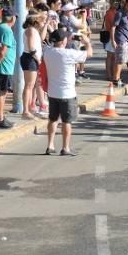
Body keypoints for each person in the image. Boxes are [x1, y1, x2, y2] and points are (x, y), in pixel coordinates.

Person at [42, 28, 92, 156]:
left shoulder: (47, 52)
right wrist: (87, 43)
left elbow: (46, 44)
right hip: (67, 94)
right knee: (66, 121)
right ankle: (65, 148)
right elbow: (89, 54)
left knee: (52, 119)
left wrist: (65, 41)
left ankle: (50, 145)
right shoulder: (69, 53)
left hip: (52, 92)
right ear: (64, 40)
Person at [20, 14, 43, 120]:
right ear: (35, 22)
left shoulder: (33, 30)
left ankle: (29, 108)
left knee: (32, 85)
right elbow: (31, 47)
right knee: (29, 86)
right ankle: (25, 111)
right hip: (30, 58)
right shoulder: (31, 31)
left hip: (31, 58)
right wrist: (37, 59)